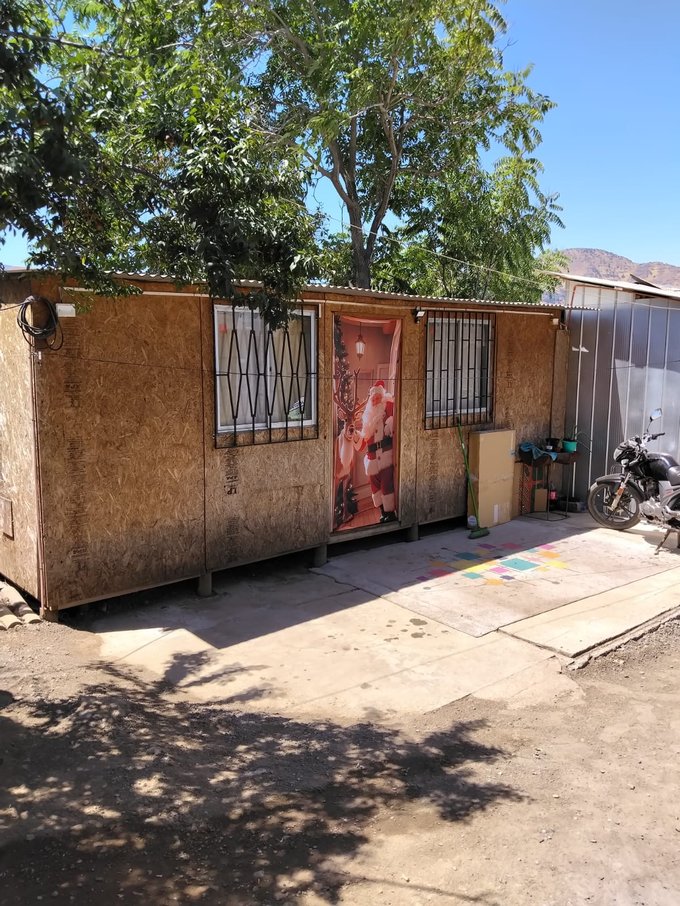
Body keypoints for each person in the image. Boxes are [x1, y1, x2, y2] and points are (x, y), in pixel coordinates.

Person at [354, 380, 397, 523]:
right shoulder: (368, 418)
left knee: (387, 485)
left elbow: (395, 420)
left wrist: (390, 423)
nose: (375, 401)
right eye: (373, 399)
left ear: (382, 397)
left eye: (378, 398)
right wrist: (355, 436)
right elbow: (362, 441)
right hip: (372, 458)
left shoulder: (388, 406)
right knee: (375, 487)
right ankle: (383, 512)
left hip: (385, 455)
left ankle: (390, 513)